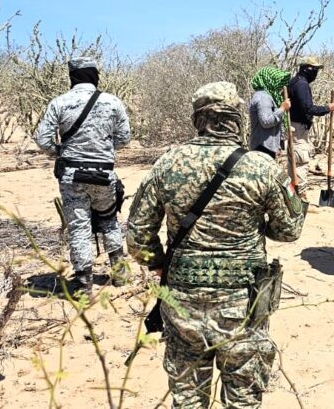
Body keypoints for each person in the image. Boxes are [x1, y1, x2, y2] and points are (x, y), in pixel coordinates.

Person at [127, 81, 306, 408]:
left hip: (181, 303)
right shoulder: (261, 167)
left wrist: (158, 264)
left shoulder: (166, 164)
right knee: (242, 399)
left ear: (198, 119)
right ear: (236, 119)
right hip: (243, 305)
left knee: (189, 399)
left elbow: (138, 237)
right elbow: (289, 231)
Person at [35, 57, 132, 294]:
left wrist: (61, 151)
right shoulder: (112, 102)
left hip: (72, 177)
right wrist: (102, 150)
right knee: (109, 220)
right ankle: (119, 274)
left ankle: (83, 285)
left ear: (73, 77)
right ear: (94, 75)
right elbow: (124, 138)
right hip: (103, 175)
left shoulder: (59, 102)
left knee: (79, 228)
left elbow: (42, 140)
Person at [286, 56, 334, 199]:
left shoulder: (295, 81)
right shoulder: (301, 84)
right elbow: (308, 108)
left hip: (296, 128)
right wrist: (328, 108)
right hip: (298, 129)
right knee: (300, 162)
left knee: (294, 163)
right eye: (315, 70)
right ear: (308, 69)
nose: (316, 74)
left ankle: (294, 196)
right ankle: (300, 197)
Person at [248, 66, 291, 158]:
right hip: (262, 148)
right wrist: (282, 109)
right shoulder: (263, 98)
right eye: (276, 81)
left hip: (265, 147)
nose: (278, 86)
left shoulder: (265, 96)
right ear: (269, 81)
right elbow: (266, 122)